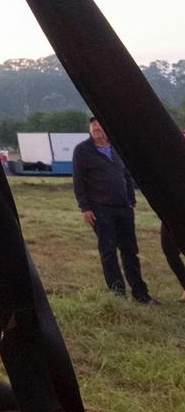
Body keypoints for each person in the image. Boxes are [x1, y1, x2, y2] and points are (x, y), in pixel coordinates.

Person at [72, 119, 152, 302]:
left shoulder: (116, 147)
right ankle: (119, 296)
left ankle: (141, 294)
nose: (97, 131)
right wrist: (84, 208)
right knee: (108, 251)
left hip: (123, 208)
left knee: (130, 251)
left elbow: (126, 174)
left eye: (100, 127)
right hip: (100, 209)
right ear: (89, 130)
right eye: (94, 128)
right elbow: (78, 182)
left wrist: (131, 199)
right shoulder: (82, 151)